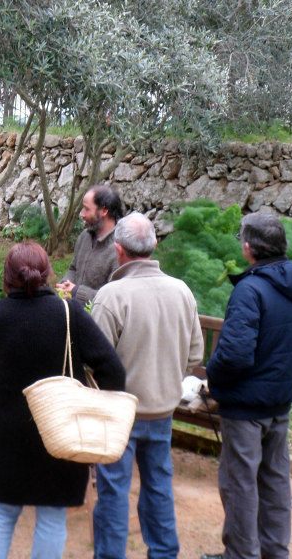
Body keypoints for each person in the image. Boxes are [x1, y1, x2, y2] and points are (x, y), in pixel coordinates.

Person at [0, 241, 125, 558]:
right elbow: (112, 369)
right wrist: (96, 402)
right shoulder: (68, 314)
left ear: (8, 276)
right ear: (46, 274)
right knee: (52, 517)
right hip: (62, 426)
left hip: (10, 432)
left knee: (1, 514)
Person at [201, 213, 292, 559]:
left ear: (248, 248)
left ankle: (241, 554)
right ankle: (274, 551)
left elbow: (235, 354)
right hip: (279, 402)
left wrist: (214, 375)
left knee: (239, 483)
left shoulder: (250, 290)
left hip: (245, 408)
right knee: (275, 480)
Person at [89, 212, 204, 559]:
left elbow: (95, 361)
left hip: (119, 413)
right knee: (158, 486)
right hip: (162, 409)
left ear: (119, 251)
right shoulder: (181, 291)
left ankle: (110, 555)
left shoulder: (111, 296)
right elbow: (195, 355)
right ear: (154, 246)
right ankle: (164, 553)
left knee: (113, 490)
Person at [56, 184, 124, 305]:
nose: (82, 214)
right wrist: (66, 282)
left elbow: (114, 299)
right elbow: (73, 268)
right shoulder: (84, 237)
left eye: (87, 209)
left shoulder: (121, 249)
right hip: (74, 315)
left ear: (104, 211)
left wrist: (77, 292)